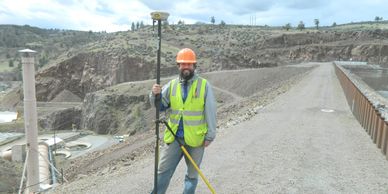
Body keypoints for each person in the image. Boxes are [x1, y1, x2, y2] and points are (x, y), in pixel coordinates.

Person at [150, 48, 217, 194]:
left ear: (194, 66)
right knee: (162, 172)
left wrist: (210, 135)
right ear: (178, 66)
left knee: (192, 176)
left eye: (189, 64)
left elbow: (211, 111)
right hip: (174, 137)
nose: (186, 67)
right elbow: (160, 106)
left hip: (196, 139)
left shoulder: (204, 85)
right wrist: (154, 95)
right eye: (183, 64)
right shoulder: (172, 85)